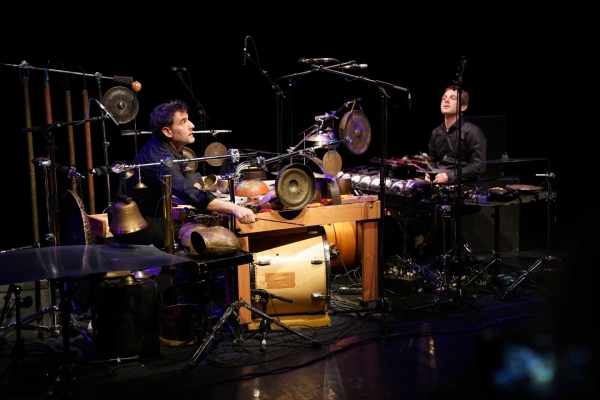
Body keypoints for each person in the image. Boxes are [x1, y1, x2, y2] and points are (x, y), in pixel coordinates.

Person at [112, 99, 255, 248]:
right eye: (183, 122)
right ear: (167, 131)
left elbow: (189, 177)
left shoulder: (168, 148)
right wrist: (235, 208)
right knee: (205, 238)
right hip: (135, 224)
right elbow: (188, 192)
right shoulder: (160, 158)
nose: (192, 125)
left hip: (152, 217)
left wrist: (198, 189)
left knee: (199, 227)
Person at [425, 85, 487, 185]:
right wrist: (429, 173)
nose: (446, 100)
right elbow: (432, 161)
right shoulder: (435, 132)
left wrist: (450, 175)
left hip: (462, 188)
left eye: (452, 98)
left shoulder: (472, 131)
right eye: (444, 98)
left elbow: (478, 166)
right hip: (438, 186)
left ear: (463, 106)